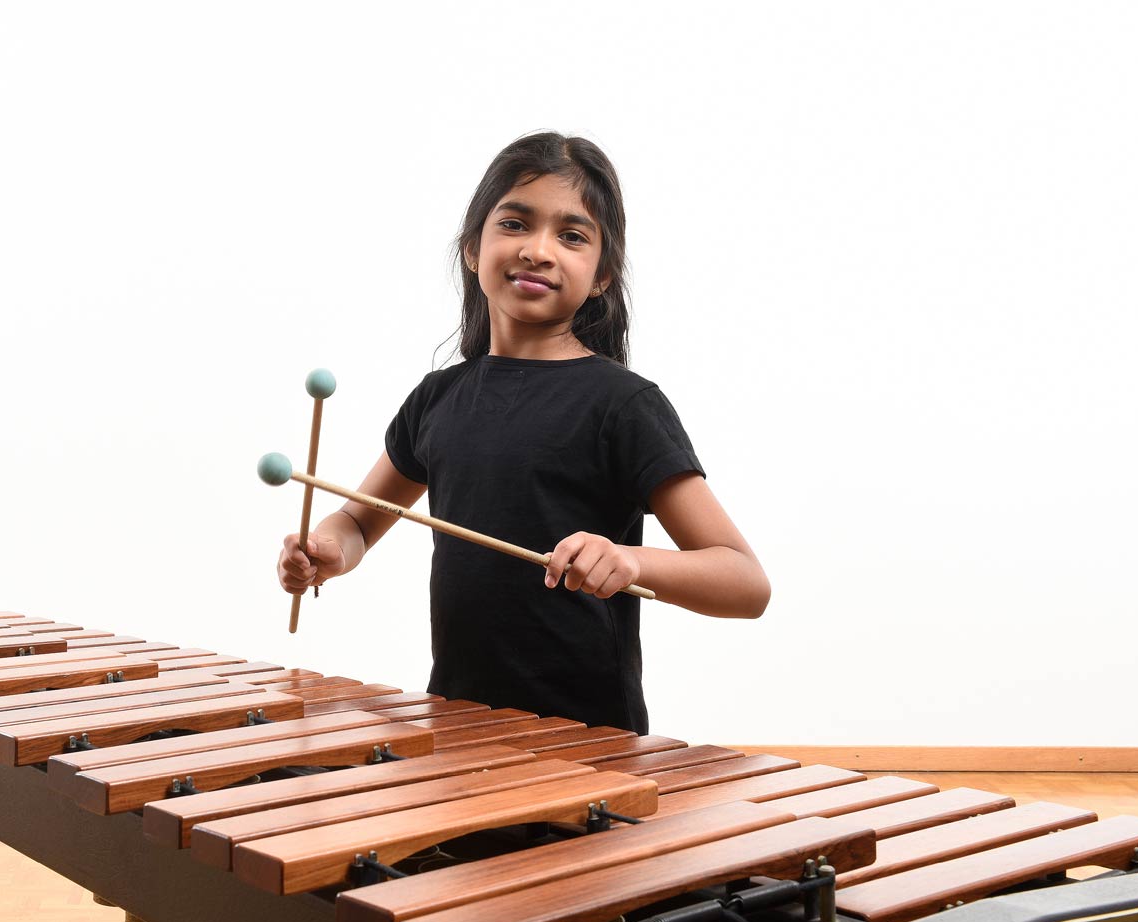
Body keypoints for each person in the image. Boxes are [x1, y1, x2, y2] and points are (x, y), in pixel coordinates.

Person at [276, 132, 770, 734]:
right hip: (456, 727)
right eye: (515, 223)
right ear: (471, 247)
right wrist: (327, 549)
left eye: (572, 235)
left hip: (587, 742)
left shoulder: (622, 405)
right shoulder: (438, 399)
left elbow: (745, 583)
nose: (538, 250)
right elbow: (356, 522)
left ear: (603, 275)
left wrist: (630, 562)